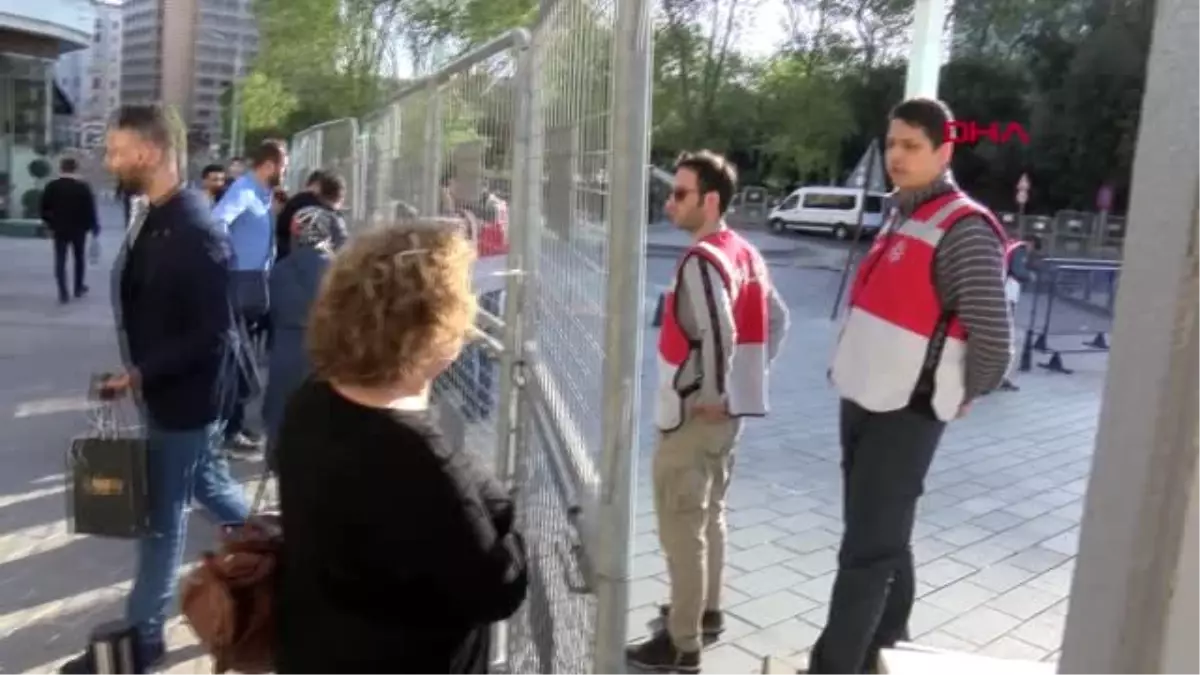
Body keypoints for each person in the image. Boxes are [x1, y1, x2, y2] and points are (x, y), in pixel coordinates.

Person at [811, 98, 1013, 675]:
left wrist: (964, 391)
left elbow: (995, 340)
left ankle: (835, 664)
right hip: (866, 396)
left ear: (944, 151)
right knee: (881, 535)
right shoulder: (907, 213)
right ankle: (892, 644)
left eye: (911, 147)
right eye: (892, 143)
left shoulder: (964, 228)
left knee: (866, 551)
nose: (896, 156)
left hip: (909, 409)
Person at [274, 220, 529, 674]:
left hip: (314, 650)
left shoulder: (310, 400)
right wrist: (510, 526)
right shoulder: (419, 457)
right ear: (428, 328)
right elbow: (497, 588)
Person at [59, 104, 249, 674]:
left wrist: (143, 372)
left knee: (161, 525)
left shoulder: (196, 228)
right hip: (167, 394)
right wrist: (138, 373)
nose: (109, 159)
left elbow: (216, 333)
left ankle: (141, 643)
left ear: (148, 152)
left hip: (186, 402)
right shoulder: (158, 212)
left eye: (116, 150)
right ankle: (289, 549)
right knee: (211, 487)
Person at [625, 150, 790, 673]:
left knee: (681, 526)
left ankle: (682, 643)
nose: (670, 202)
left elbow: (721, 328)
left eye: (680, 194)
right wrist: (744, 386)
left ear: (710, 199)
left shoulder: (703, 259)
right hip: (724, 418)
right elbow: (779, 320)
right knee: (710, 513)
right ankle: (708, 611)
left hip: (693, 415)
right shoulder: (742, 251)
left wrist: (715, 392)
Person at [211, 140, 289, 454]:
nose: (284, 171)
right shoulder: (244, 191)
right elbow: (216, 223)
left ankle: (233, 425)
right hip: (239, 284)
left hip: (255, 284)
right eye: (283, 166)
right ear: (269, 165)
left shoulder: (262, 194)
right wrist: (228, 260)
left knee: (243, 360)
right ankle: (227, 432)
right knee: (236, 361)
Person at [261, 207, 340, 470]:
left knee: (281, 405)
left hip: (286, 346)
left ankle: (277, 458)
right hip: (323, 347)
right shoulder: (336, 270)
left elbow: (272, 310)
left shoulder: (281, 269)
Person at [39, 156, 100, 303]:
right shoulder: (82, 187)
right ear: (75, 168)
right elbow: (90, 209)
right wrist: (93, 226)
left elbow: (43, 208)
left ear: (61, 168)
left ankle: (62, 291)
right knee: (79, 258)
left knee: (60, 259)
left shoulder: (52, 186)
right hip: (79, 229)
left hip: (59, 228)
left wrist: (51, 223)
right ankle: (78, 287)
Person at [275, 170, 349, 260]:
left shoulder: (296, 203)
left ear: (319, 189)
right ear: (341, 199)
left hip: (287, 263)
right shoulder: (335, 221)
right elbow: (343, 252)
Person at [999, 235, 1036, 391]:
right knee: (1006, 334)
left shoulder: (1009, 245)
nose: (1030, 251)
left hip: (1000, 289)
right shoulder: (1019, 250)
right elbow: (1018, 270)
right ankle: (1001, 377)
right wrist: (1030, 276)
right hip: (1008, 292)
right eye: (1032, 247)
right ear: (1030, 243)